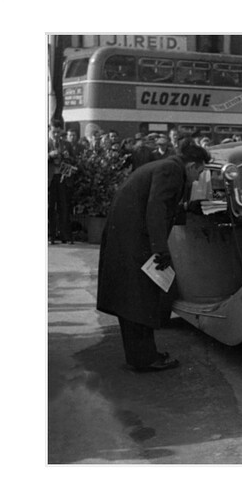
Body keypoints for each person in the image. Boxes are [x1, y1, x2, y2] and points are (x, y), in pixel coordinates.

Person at [96, 142, 211, 372]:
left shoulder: (165, 166)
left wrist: (186, 208)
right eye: (199, 171)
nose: (198, 177)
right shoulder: (171, 171)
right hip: (135, 240)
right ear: (191, 165)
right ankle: (145, 360)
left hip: (127, 236)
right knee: (140, 299)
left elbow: (158, 204)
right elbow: (156, 209)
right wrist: (160, 249)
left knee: (133, 298)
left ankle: (142, 355)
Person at [48, 123, 76, 244]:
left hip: (63, 178)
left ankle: (64, 235)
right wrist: (49, 155)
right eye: (54, 132)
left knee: (63, 207)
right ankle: (51, 235)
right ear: (49, 131)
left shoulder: (67, 144)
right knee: (50, 207)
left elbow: (74, 161)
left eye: (58, 133)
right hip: (50, 179)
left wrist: (68, 157)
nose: (56, 135)